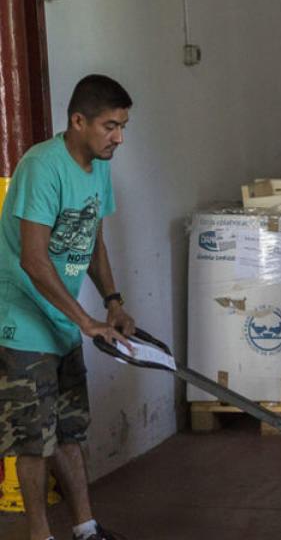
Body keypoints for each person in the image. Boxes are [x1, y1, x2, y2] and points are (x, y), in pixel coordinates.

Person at [0, 74, 136, 540]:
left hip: (62, 320)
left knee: (72, 431)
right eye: (110, 126)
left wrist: (112, 303)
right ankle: (40, 534)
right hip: (21, 321)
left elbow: (92, 239)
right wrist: (87, 322)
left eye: (122, 127)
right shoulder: (42, 166)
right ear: (78, 121)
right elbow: (34, 260)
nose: (118, 137)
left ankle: (85, 528)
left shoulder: (98, 165)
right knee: (35, 438)